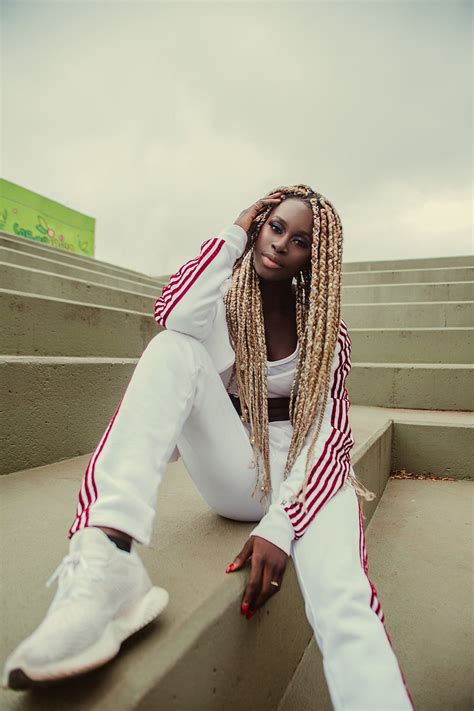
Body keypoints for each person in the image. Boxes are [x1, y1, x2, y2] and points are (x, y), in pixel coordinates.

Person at [3, 183, 415, 709]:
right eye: (274, 227)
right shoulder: (222, 306)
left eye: (300, 240)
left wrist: (280, 526)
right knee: (172, 349)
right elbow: (172, 314)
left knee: (345, 598)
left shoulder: (328, 335)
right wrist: (233, 234)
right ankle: (107, 556)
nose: (281, 244)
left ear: (316, 257)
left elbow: (328, 437)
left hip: (310, 479)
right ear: (259, 226)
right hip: (240, 470)